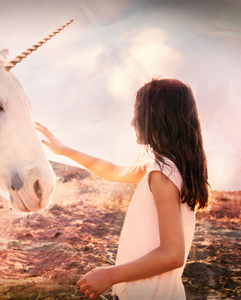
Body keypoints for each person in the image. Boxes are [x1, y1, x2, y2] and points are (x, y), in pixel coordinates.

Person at [35, 78, 210, 300]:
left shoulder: (162, 174)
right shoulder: (171, 168)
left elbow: (173, 254)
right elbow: (112, 171)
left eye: (138, 113)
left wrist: (110, 275)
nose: (132, 122)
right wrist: (64, 150)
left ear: (157, 118)